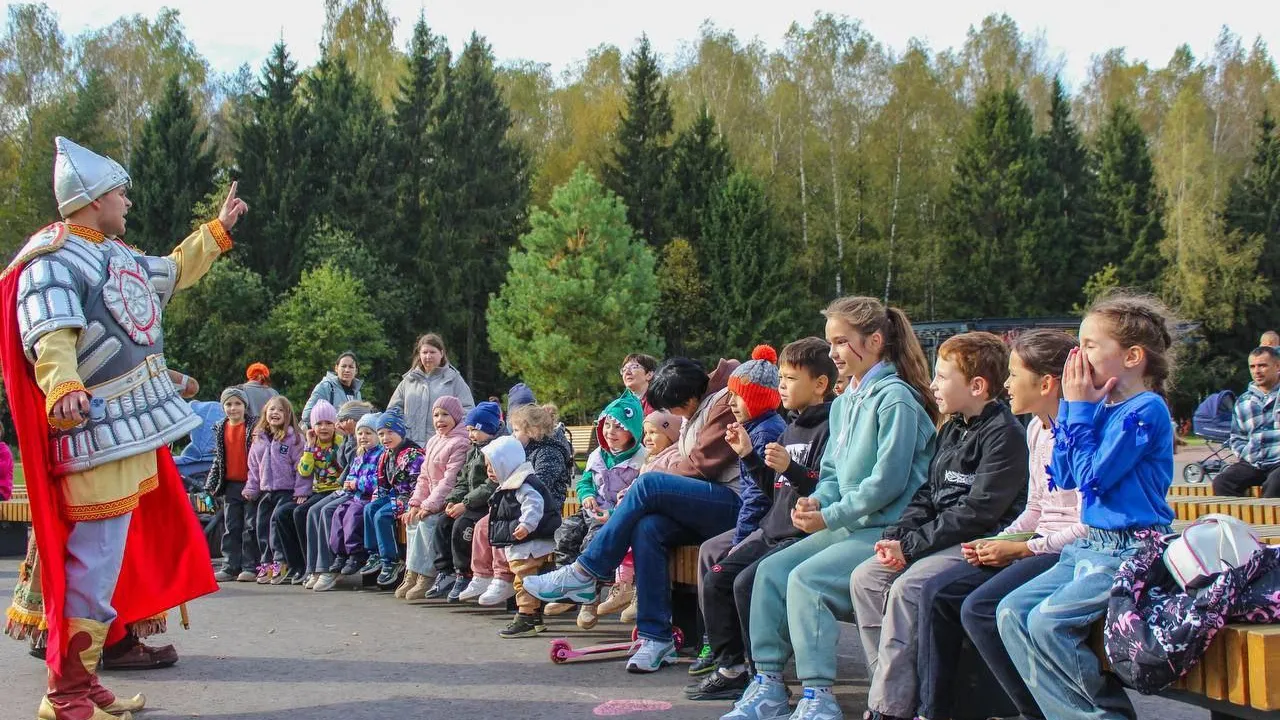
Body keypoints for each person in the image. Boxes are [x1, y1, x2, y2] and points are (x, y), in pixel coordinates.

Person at [0, 136, 241, 719]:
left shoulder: (117, 255)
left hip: (130, 429)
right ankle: (65, 694)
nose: (127, 202)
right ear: (90, 199)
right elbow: (49, 330)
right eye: (119, 193)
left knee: (106, 561)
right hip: (94, 431)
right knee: (90, 561)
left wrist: (216, 230)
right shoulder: (52, 257)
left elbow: (172, 272)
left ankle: (84, 684)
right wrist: (62, 385)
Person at [722, 296, 939, 720]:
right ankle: (767, 685)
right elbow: (835, 473)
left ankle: (819, 697)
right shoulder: (845, 402)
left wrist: (829, 515)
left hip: (887, 529)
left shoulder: (896, 400)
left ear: (874, 341)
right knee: (769, 573)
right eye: (831, 342)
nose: (834, 352)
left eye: (842, 342)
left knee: (807, 581)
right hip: (848, 525)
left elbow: (888, 482)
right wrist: (816, 500)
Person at [997, 292, 1177, 720]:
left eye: (1091, 346)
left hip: (1131, 549)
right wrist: (1079, 411)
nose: (1078, 355)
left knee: (1047, 623)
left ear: (1132, 356)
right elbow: (1066, 474)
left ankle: (1102, 715)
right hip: (1091, 546)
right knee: (1010, 612)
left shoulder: (1146, 411)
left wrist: (1078, 408)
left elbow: (1095, 476)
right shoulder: (1099, 409)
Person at [524, 355, 744, 673]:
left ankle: (585, 573)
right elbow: (682, 454)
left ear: (689, 398)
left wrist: (647, 480)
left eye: (673, 408)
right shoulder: (701, 404)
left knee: (650, 485)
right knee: (648, 527)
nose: (673, 416)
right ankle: (656, 637)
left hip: (734, 504)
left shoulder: (722, 402)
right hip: (706, 503)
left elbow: (700, 463)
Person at [849, 332, 1028, 720]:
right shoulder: (951, 429)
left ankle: (888, 708)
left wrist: (912, 547)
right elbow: (929, 494)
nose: (932, 385)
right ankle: (893, 690)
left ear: (977, 386)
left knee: (908, 588)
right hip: (939, 537)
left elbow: (977, 513)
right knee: (866, 579)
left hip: (978, 543)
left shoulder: (1005, 435)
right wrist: (897, 535)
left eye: (943, 377)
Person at [917, 329, 1084, 720]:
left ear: (1046, 383)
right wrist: (999, 541)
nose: (1006, 385)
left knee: (980, 608)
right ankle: (935, 710)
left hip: (1065, 550)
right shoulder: (1035, 429)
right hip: (1039, 542)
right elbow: (1037, 507)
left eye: (1014, 375)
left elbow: (1086, 523)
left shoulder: (1076, 435)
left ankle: (1032, 710)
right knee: (941, 593)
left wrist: (1022, 548)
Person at [686, 337, 835, 699]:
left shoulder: (829, 428)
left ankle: (762, 676)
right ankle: (732, 667)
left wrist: (793, 467)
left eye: (790, 379)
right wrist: (750, 456)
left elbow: (822, 488)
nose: (782, 386)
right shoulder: (791, 427)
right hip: (772, 530)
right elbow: (775, 490)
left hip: (797, 536)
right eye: (780, 378)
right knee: (718, 578)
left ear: (819, 385)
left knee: (744, 584)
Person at [554, 392, 649, 629]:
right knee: (566, 532)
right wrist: (586, 496)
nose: (611, 432)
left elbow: (637, 495)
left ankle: (589, 600)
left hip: (617, 515)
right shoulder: (599, 455)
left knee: (592, 543)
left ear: (633, 432)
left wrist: (614, 512)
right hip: (593, 509)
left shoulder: (641, 460)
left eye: (619, 427)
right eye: (607, 425)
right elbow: (586, 481)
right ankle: (566, 592)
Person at [482, 435, 563, 639]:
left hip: (530, 543)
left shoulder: (522, 484)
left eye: (492, 466)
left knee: (524, 580)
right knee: (528, 579)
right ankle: (535, 616)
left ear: (506, 463)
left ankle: (525, 615)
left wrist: (526, 524)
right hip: (525, 542)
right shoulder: (512, 482)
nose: (489, 471)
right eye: (487, 467)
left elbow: (533, 504)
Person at [399, 396, 470, 600]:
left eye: (445, 414)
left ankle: (426, 574)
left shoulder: (460, 442)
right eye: (436, 415)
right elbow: (423, 477)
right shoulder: (433, 440)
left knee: (427, 522)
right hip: (431, 500)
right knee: (412, 520)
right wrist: (415, 503)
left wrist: (429, 506)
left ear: (456, 416)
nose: (440, 419)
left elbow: (449, 481)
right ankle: (411, 573)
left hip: (448, 500)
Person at [308, 400, 375, 592]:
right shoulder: (349, 439)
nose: (339, 424)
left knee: (327, 510)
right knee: (314, 510)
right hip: (347, 487)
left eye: (344, 420)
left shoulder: (359, 441)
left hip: (358, 492)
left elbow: (352, 469)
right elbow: (348, 466)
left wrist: (346, 483)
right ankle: (315, 567)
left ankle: (329, 567)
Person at [441, 402, 504, 602]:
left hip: (486, 503)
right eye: (468, 430)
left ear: (489, 428)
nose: (471, 435)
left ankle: (465, 573)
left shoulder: (496, 450)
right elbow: (462, 479)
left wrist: (465, 504)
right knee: (443, 523)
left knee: (463, 525)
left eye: (475, 430)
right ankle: (446, 571)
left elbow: (490, 484)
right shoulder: (473, 450)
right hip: (469, 502)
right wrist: (453, 500)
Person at [359, 407, 425, 588]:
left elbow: (418, 484)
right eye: (381, 434)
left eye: (390, 432)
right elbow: (382, 486)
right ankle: (375, 554)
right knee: (370, 508)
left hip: (410, 497)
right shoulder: (385, 455)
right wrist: (376, 500)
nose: (385, 438)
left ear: (401, 432)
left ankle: (392, 559)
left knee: (383, 515)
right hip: (394, 495)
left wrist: (414, 504)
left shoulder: (413, 454)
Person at [243, 395, 305, 585]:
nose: (275, 413)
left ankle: (280, 561)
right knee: (261, 526)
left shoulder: (294, 439)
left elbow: (301, 467)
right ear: (265, 413)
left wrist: (301, 490)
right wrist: (251, 488)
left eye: (280, 410)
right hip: (266, 491)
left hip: (286, 490)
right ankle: (266, 562)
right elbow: (253, 467)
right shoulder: (259, 439)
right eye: (271, 410)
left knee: (275, 524)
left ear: (287, 415)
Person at [285, 400, 347, 588]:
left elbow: (345, 466)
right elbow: (304, 471)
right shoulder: (312, 444)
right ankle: (310, 566)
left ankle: (323, 567)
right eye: (319, 423)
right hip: (318, 491)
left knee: (314, 511)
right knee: (295, 512)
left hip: (336, 489)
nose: (324, 427)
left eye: (328, 423)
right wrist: (309, 448)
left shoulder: (340, 442)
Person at [1213, 346, 1280, 497]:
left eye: (1262, 365)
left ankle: (1268, 521)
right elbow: (1237, 437)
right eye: (1252, 366)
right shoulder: (1243, 401)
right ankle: (1234, 521)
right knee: (1222, 481)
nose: (1257, 371)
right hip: (1254, 461)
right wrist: (1246, 453)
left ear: (1277, 366)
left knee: (1275, 483)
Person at [207, 388, 259, 582]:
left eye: (237, 404)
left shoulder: (253, 427)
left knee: (249, 526)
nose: (233, 408)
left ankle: (249, 566)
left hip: (251, 483)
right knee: (231, 526)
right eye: (228, 404)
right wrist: (210, 484)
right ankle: (230, 566)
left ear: (245, 406)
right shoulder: (221, 427)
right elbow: (218, 458)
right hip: (230, 484)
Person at [324, 412, 383, 582]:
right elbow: (351, 475)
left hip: (369, 496)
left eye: (368, 433)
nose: (363, 437)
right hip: (356, 495)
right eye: (360, 433)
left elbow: (377, 480)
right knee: (339, 512)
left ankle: (355, 553)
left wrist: (356, 484)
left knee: (353, 515)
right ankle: (340, 553)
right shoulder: (359, 455)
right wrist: (350, 482)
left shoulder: (380, 455)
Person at [389, 334, 476, 444]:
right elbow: (392, 411)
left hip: (442, 446)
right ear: (419, 355)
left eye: (432, 352)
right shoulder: (408, 381)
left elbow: (468, 412)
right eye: (424, 352)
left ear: (441, 353)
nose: (428, 356)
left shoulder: (454, 380)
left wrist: (453, 435)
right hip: (409, 446)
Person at [301, 352, 363, 429]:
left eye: (351, 367)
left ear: (356, 371)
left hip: (349, 439)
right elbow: (307, 415)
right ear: (336, 368)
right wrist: (332, 425)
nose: (347, 370)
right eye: (343, 366)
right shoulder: (325, 387)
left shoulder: (357, 393)